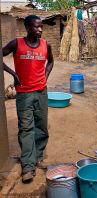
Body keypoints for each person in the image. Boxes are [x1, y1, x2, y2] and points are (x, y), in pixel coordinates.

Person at [2, 15, 54, 182]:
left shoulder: (46, 45)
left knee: (41, 127)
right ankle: (28, 166)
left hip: (41, 93)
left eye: (41, 27)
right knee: (26, 129)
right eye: (36, 27)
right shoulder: (17, 44)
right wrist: (13, 74)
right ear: (27, 28)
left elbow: (51, 62)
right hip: (24, 94)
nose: (40, 30)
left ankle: (37, 156)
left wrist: (45, 76)